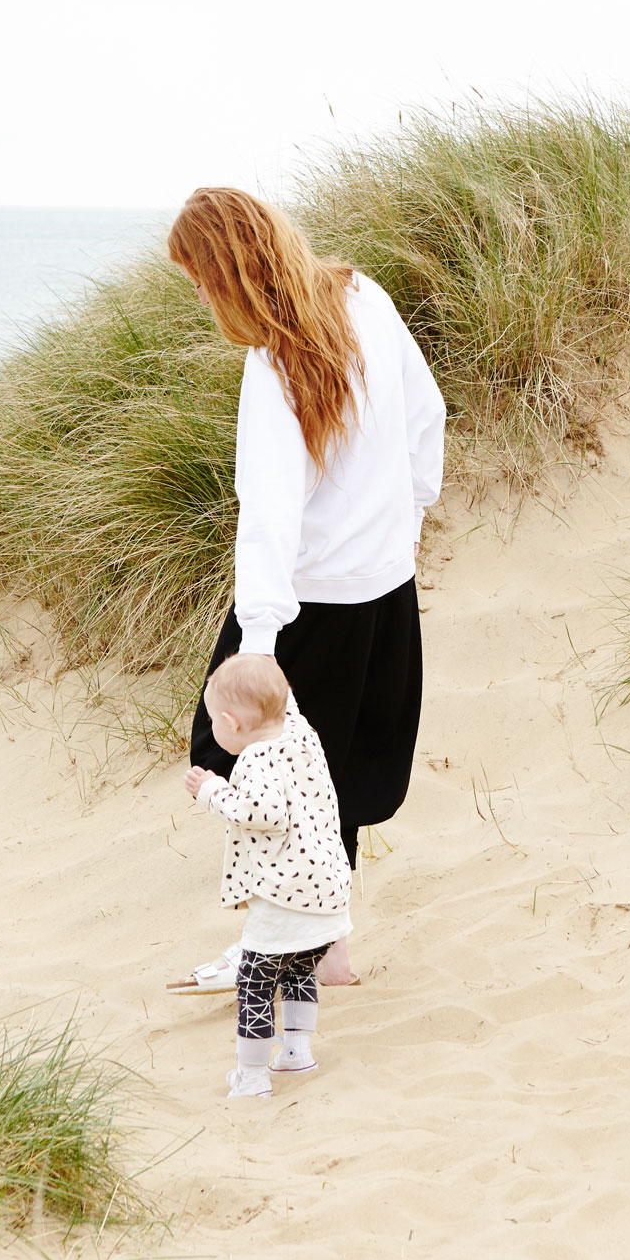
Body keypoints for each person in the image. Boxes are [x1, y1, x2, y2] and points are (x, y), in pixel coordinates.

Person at [165, 185, 445, 993]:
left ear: (230, 271)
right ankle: (330, 950)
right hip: (385, 589)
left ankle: (283, 947)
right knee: (337, 774)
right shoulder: (367, 297)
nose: (198, 295)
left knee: (238, 759)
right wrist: (407, 525)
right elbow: (429, 417)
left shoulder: (273, 361)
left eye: (199, 278)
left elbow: (270, 512)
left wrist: (257, 641)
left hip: (308, 604)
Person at [184, 652, 352, 1097]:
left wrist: (212, 790)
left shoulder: (255, 760)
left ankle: (253, 1076)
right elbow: (284, 701)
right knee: (298, 969)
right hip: (328, 891)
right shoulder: (300, 733)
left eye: (215, 723)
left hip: (286, 896)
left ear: (230, 722)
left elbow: (262, 812)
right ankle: (296, 1053)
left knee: (256, 981)